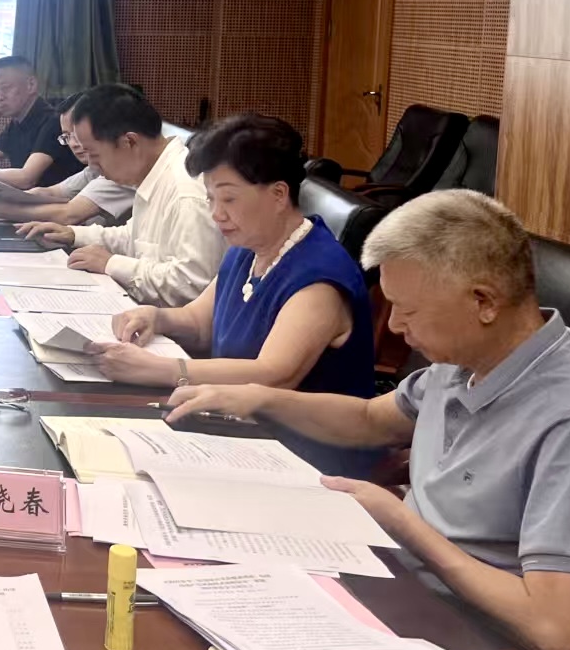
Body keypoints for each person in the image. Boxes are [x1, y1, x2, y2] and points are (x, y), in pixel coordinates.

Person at [168, 191, 570, 650]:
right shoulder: (464, 359)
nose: (396, 327)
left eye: (408, 310)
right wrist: (261, 398)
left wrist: (402, 522)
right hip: (395, 582)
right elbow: (370, 420)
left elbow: (555, 632)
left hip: (468, 637)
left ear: (484, 301)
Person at [89, 115, 377, 475]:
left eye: (229, 198)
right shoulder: (248, 246)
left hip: (306, 456)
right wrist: (155, 316)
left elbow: (272, 375)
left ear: (278, 194)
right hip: (237, 428)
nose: (216, 214)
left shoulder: (319, 277)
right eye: (211, 198)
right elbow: (199, 322)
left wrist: (161, 370)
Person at [19, 85, 223, 306]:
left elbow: (191, 285)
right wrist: (74, 234)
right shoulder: (154, 173)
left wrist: (111, 264)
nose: (92, 165)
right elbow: (134, 238)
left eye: (94, 154)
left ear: (130, 142)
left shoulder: (186, 192)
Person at [0, 99, 136, 224]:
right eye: (67, 136)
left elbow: (69, 214)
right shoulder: (94, 169)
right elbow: (49, 192)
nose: (74, 143)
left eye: (78, 134)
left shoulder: (123, 171)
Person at [0, 56, 79, 190]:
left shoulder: (53, 122)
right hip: (28, 197)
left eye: (5, 88)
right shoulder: (17, 123)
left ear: (31, 85)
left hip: (56, 200)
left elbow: (26, 179)